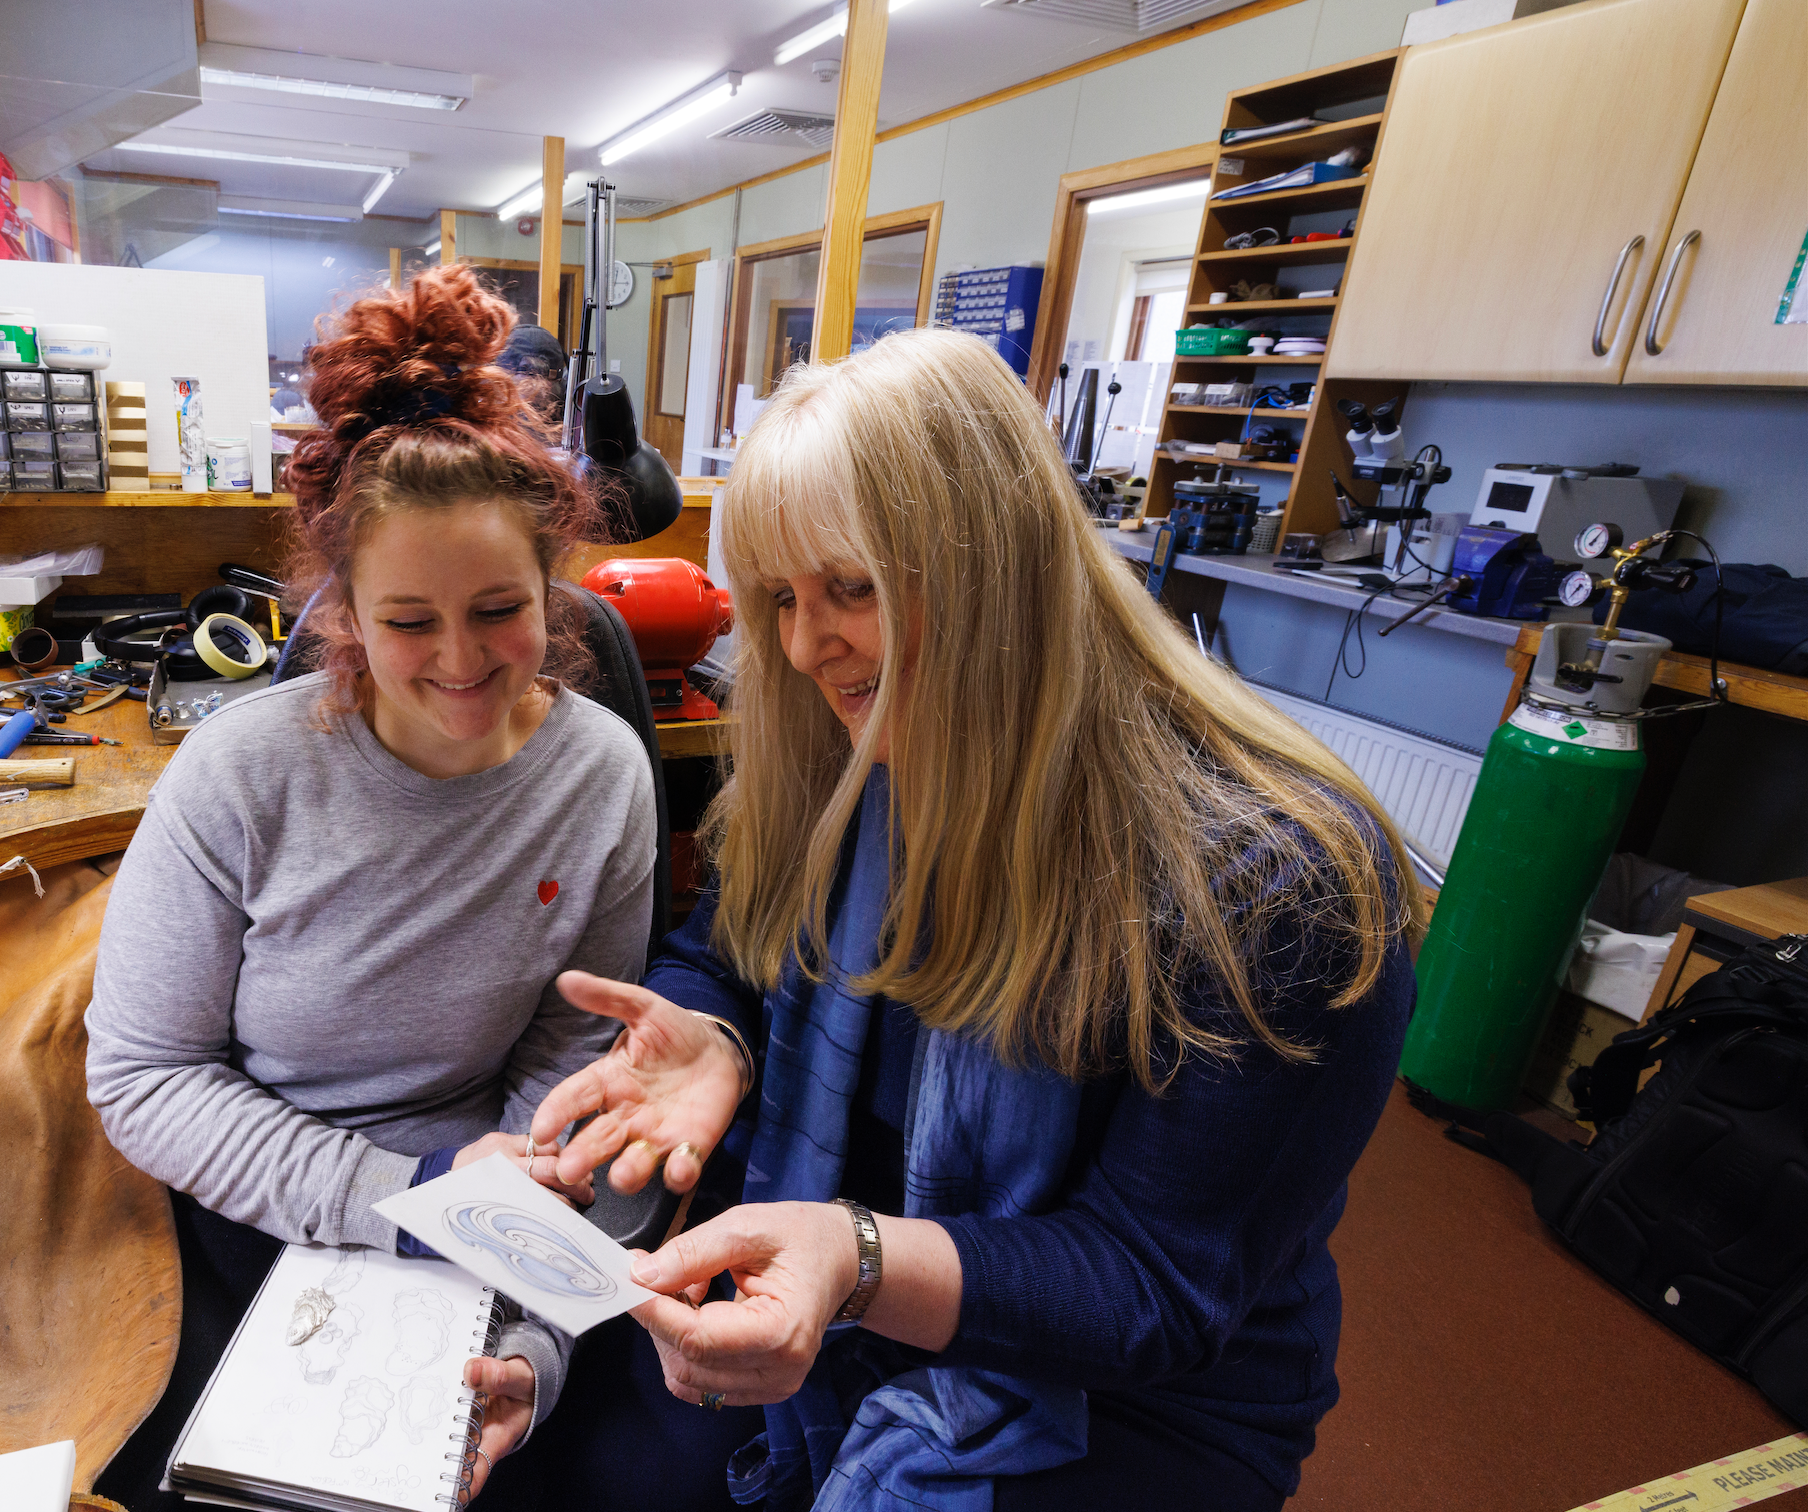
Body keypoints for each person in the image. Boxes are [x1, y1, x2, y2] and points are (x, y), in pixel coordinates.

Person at [531, 328, 1424, 1510]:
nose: (804, 645)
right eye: (783, 600)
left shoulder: (1278, 884)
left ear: (998, 570)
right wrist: (717, 1033)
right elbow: (727, 952)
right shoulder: (851, 757)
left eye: (852, 588)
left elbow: (1152, 1285)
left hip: (1126, 1394)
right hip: (850, 1273)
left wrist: (856, 1261)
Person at [85, 265, 653, 1507]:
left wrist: (530, 1335)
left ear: (556, 582)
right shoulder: (242, 773)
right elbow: (143, 1077)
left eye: (500, 610)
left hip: (488, 1218)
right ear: (340, 607)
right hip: (264, 1203)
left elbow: (573, 1066)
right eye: (407, 624)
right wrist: (405, 1205)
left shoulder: (601, 773)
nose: (460, 665)